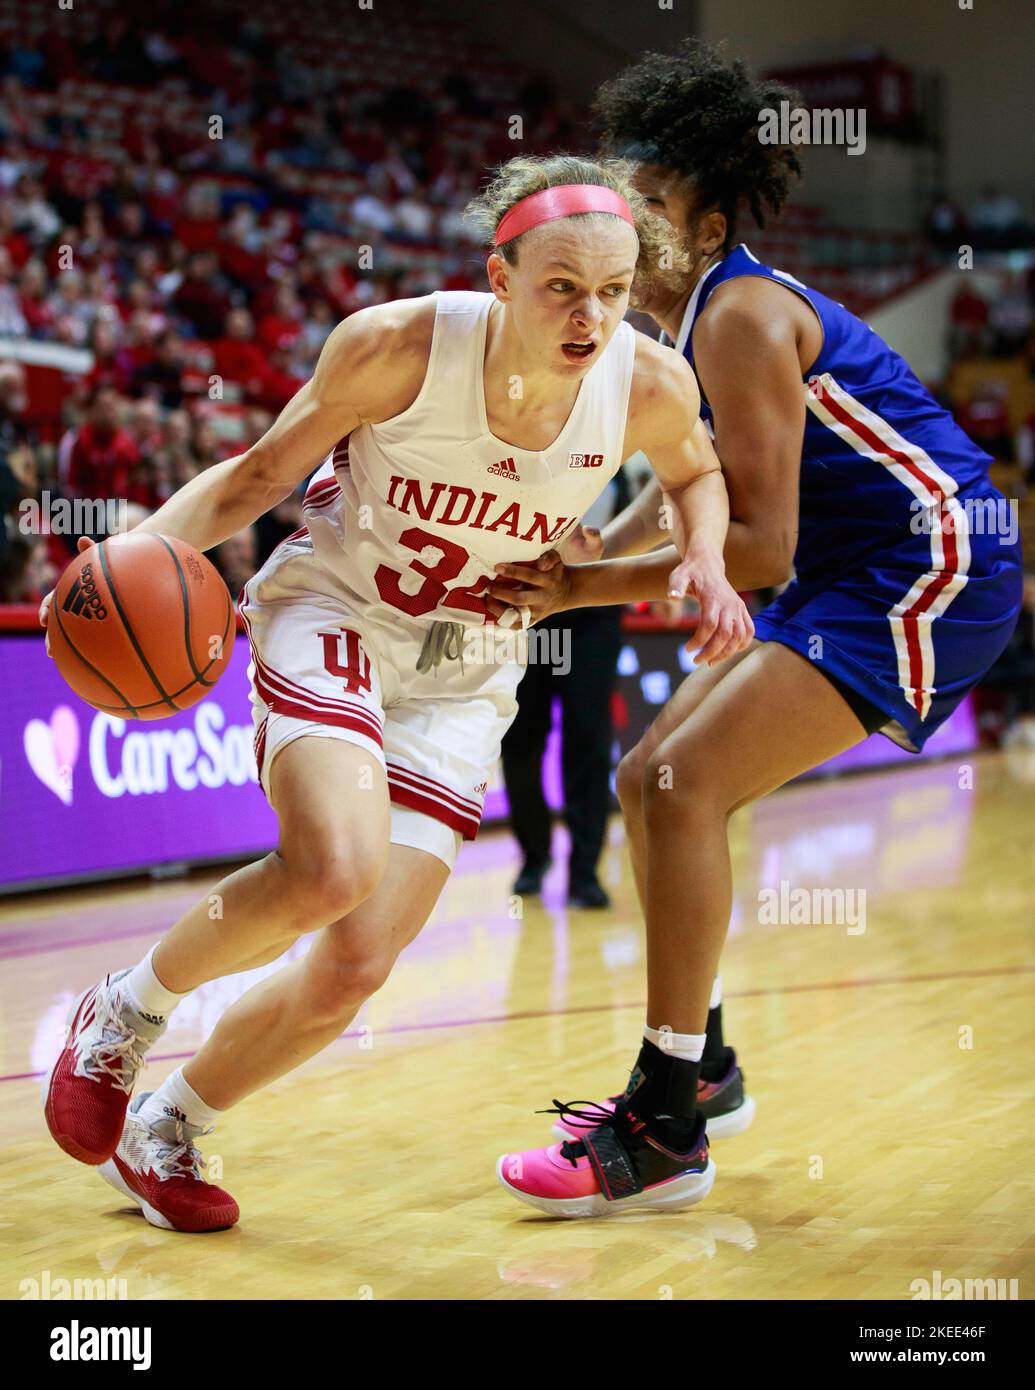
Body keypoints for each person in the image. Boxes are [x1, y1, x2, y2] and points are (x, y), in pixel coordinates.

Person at [39, 154, 753, 1233]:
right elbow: (253, 480)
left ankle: (168, 1126)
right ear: (499, 276)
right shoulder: (399, 345)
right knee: (333, 863)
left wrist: (700, 554)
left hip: (468, 667)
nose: (591, 315)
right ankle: (121, 1014)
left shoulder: (647, 382)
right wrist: (121, 566)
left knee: (354, 965)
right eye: (562, 286)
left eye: (612, 291)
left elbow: (699, 470)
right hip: (338, 610)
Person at [492, 41, 1023, 1218]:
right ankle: (708, 1065)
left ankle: (665, 1121)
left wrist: (576, 587)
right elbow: (683, 474)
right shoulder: (672, 330)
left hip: (925, 559)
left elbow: (759, 549)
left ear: (709, 211)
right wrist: (585, 540)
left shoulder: (737, 314)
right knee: (647, 778)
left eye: (647, 202)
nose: (623, 220)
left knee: (680, 782)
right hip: (847, 564)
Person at [502, 468, 631, 909]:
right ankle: (534, 859)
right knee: (520, 740)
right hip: (531, 615)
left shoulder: (619, 462)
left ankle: (585, 873)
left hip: (593, 614)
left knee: (589, 739)